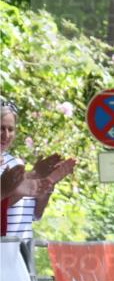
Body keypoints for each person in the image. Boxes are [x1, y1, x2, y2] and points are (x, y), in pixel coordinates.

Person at [2, 101, 74, 239]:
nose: (6, 135)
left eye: (10, 129)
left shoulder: (16, 163)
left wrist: (47, 183)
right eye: (1, 128)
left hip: (22, 254)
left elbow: (36, 215)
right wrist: (22, 189)